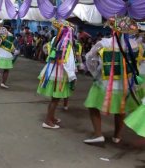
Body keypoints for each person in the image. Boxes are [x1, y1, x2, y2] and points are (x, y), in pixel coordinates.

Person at [83, 16, 141, 144]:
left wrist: (95, 72)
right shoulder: (135, 45)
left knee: (92, 106)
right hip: (125, 84)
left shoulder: (104, 43)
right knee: (121, 109)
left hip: (104, 82)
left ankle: (98, 135)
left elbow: (89, 58)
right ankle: (117, 136)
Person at [37, 20, 77, 129]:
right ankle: (48, 121)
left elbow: (46, 49)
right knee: (55, 99)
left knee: (54, 99)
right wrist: (72, 75)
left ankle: (51, 117)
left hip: (52, 70)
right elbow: (67, 60)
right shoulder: (66, 42)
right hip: (59, 72)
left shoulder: (56, 39)